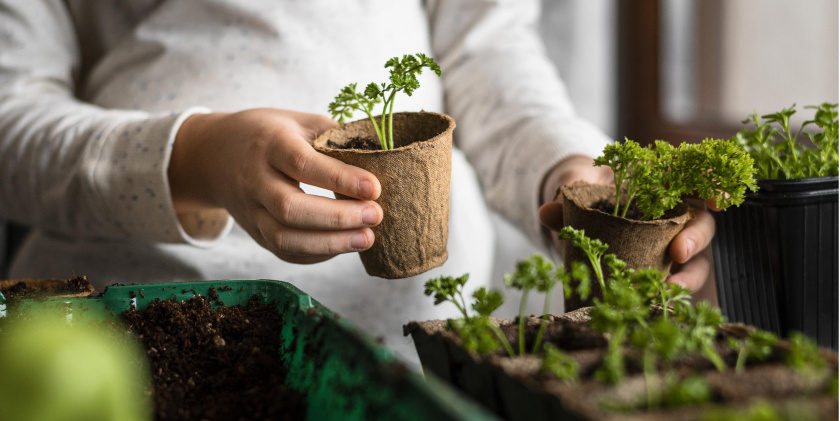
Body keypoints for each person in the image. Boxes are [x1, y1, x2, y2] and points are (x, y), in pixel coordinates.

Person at [0, 0, 715, 366]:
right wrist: (197, 157)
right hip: (125, 333)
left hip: (419, 351)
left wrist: (572, 175)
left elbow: (488, 53)